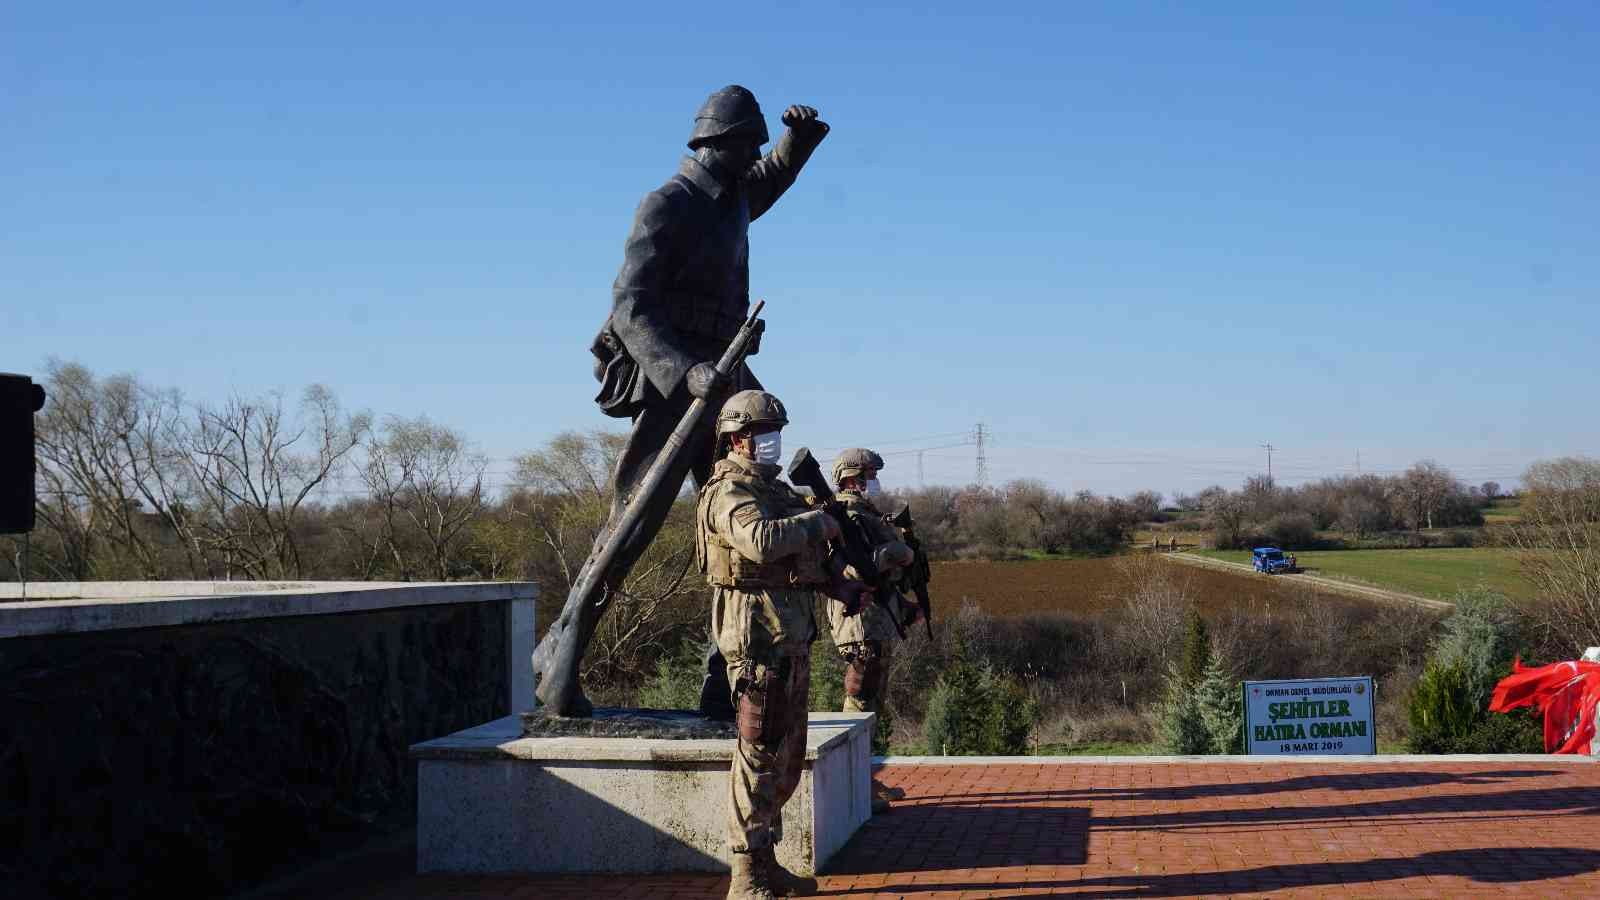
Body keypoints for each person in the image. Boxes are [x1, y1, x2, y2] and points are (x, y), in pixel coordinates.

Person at [532, 85, 830, 717]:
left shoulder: (732, 196)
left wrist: (796, 142)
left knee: (747, 514)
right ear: (717, 144)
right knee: (632, 525)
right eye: (748, 146)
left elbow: (771, 177)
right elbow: (630, 304)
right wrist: (683, 370)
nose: (754, 158)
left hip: (727, 377)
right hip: (680, 385)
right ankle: (561, 656)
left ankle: (728, 679)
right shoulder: (668, 202)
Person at [697, 390, 861, 899]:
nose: (772, 441)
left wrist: (840, 583)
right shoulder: (729, 491)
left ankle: (765, 861)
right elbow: (761, 542)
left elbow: (803, 559)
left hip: (790, 632)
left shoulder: (776, 490)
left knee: (787, 756)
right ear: (737, 439)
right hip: (756, 636)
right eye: (764, 433)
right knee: (759, 753)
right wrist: (818, 522)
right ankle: (745, 876)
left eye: (776, 432)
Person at [823, 448, 915, 813]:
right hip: (859, 620)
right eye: (870, 474)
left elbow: (882, 579)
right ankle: (853, 784)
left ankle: (863, 779)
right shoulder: (845, 515)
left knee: (872, 702)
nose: (875, 481)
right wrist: (894, 551)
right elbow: (853, 570)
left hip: (875, 618)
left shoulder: (865, 514)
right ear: (852, 478)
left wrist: (904, 606)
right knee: (860, 699)